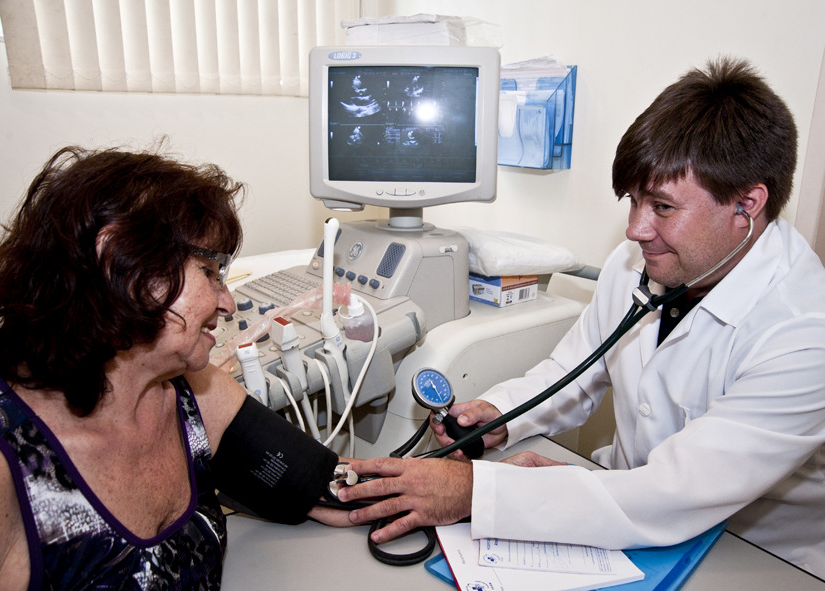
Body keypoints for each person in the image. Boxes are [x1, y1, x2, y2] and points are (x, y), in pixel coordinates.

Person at [338, 56, 825, 577]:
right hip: (622, 504)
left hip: (752, 556)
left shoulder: (803, 334)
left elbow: (681, 489)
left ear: (746, 206)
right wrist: (500, 415)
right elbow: (573, 372)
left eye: (661, 207)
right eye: (632, 201)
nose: (635, 230)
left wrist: (480, 491)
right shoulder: (638, 264)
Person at [0, 146, 349, 590]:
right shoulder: (9, 459)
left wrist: (454, 485)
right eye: (210, 271)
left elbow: (323, 484)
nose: (228, 302)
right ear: (118, 262)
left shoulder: (194, 393)